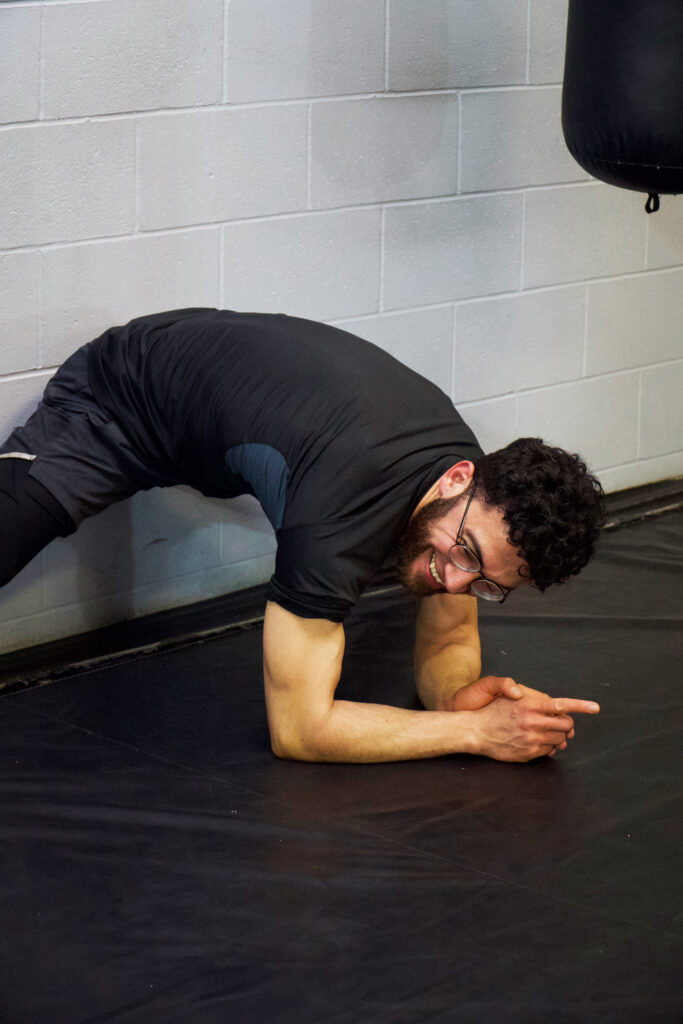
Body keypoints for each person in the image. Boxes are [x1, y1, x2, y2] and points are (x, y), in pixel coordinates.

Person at [0, 309, 605, 763]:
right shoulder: (343, 505)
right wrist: (474, 733)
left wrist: (453, 696)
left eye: (486, 585)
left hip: (224, 407)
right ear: (457, 478)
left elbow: (448, 637)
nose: (453, 582)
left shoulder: (471, 498)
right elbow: (299, 731)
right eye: (465, 553)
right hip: (116, 403)